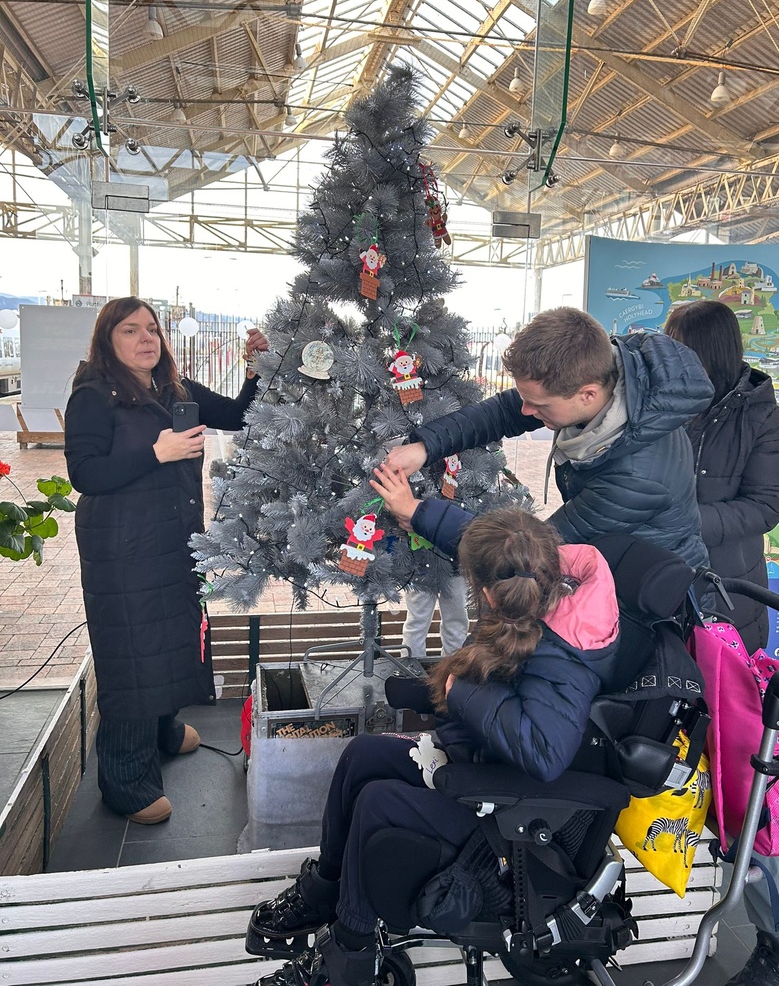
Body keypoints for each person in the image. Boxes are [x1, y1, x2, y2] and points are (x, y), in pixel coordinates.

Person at [247, 495, 625, 986]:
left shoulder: (564, 652)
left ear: (488, 596)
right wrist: (420, 512)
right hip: (483, 761)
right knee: (364, 755)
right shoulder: (538, 579)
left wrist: (459, 691)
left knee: (379, 802)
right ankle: (327, 890)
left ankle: (350, 957)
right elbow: (485, 545)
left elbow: (545, 752)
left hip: (513, 821)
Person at [64, 297, 268, 825]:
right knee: (132, 652)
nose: (145, 339)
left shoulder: (174, 390)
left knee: (172, 635)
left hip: (173, 540)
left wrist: (255, 371)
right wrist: (157, 452)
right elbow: (85, 474)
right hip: (123, 548)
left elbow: (237, 415)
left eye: (152, 329)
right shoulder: (94, 396)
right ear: (108, 340)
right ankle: (125, 781)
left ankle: (162, 730)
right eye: (130, 330)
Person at [664, 300, 779, 986]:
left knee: (741, 776)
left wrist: (685, 521)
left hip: (728, 610)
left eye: (676, 342)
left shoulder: (755, 410)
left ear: (704, 350)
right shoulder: (663, 400)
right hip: (658, 602)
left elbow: (769, 504)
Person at [386, 307, 714, 568]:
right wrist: (425, 446)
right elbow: (503, 412)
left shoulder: (635, 479)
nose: (525, 411)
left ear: (588, 394)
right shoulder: (605, 380)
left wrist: (421, 514)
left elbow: (531, 554)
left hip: (648, 607)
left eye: (539, 405)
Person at [402, 574, 469, 658]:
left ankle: (454, 661)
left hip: (451, 571)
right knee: (417, 623)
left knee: (416, 623)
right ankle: (454, 661)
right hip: (421, 571)